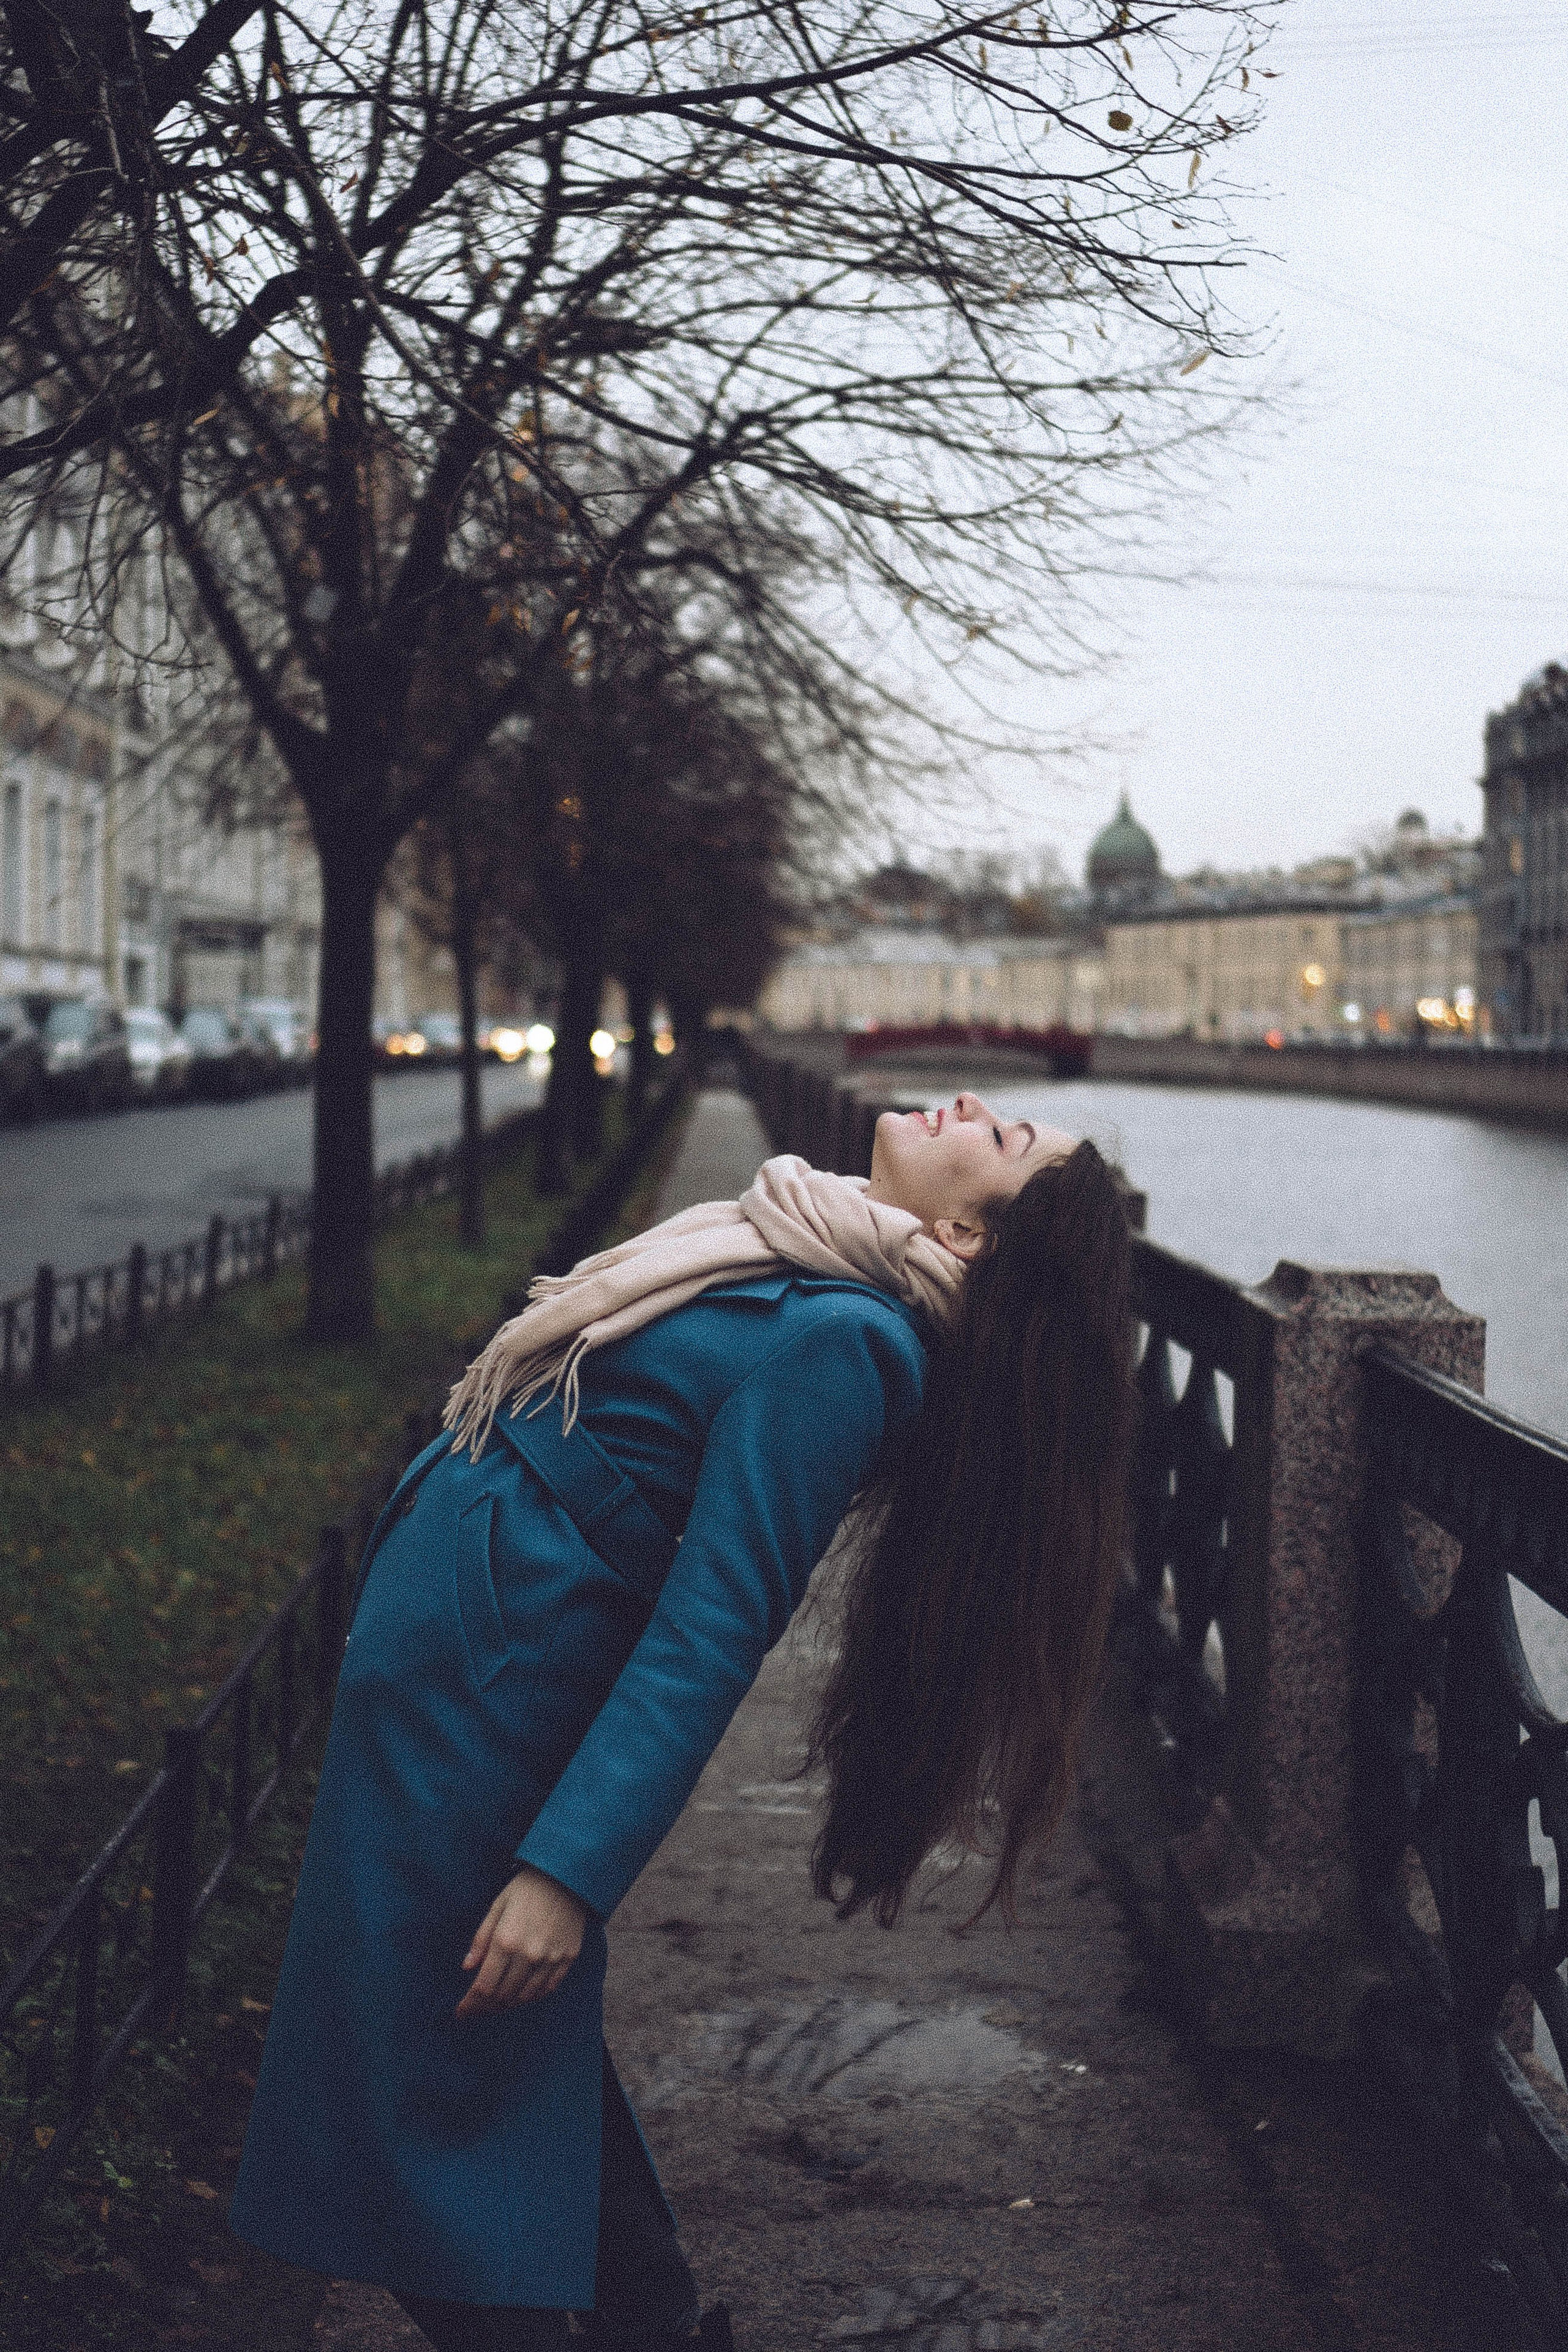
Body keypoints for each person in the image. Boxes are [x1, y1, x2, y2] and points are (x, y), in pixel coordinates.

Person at [230, 1093, 1136, 2352]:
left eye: (1006, 1145)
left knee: (398, 2115)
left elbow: (714, 1628)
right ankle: (656, 2328)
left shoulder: (848, 1344)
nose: (980, 1107)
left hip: (493, 1707)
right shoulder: (809, 1252)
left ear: (967, 1238)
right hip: (465, 1674)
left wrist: (567, 1876)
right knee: (484, 2040)